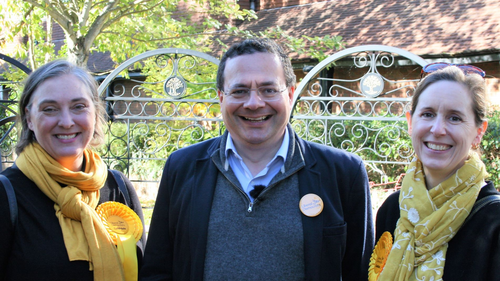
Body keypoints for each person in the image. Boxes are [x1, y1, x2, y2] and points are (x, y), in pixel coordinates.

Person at [140, 38, 374, 280]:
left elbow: (360, 273)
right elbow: (157, 272)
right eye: (240, 91)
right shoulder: (181, 168)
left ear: (290, 94)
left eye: (269, 90)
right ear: (221, 97)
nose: (254, 103)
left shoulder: (344, 174)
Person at [0, 60, 146, 281]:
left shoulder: (118, 186)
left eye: (79, 107)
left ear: (95, 113)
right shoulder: (6, 194)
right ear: (29, 118)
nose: (67, 122)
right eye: (50, 109)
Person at [374, 64, 500, 280]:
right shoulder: (393, 210)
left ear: (479, 132)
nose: (437, 129)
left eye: (454, 118)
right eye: (428, 114)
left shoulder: (494, 223)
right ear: (411, 122)